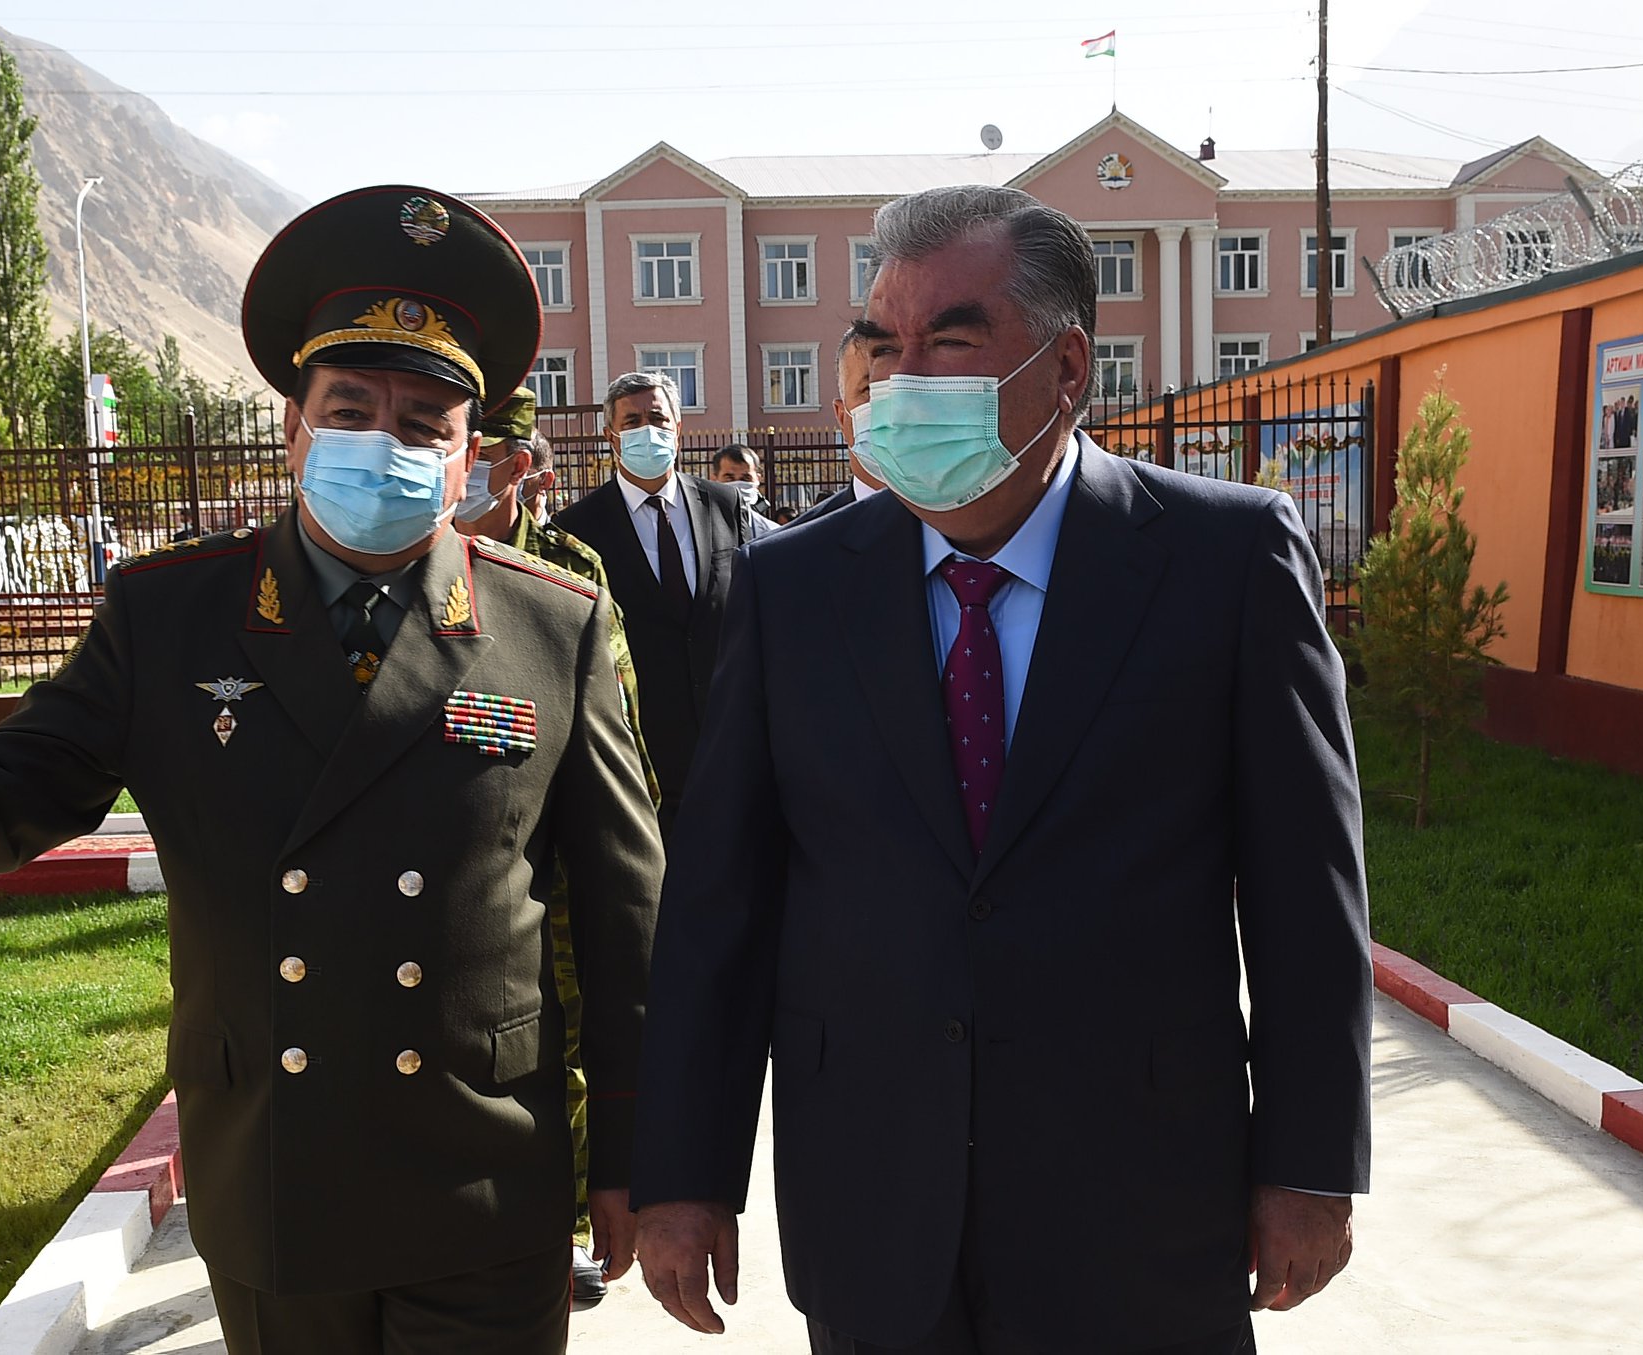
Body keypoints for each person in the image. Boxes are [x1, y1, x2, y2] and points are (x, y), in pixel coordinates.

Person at [0, 185, 665, 1355]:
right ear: (293, 427)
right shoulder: (171, 614)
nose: (385, 442)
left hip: (484, 1174)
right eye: (350, 409)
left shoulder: (551, 622)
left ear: (470, 451)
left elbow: (624, 917)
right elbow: (28, 779)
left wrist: (634, 1153)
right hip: (276, 1169)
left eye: (424, 422)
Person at [631, 185, 1371, 1355]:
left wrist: (1308, 1162)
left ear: (1065, 368)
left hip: (1139, 1204)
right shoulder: (791, 586)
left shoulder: (1222, 560)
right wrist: (683, 1171)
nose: (900, 379)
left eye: (949, 340)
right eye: (882, 345)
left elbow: (1305, 895)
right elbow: (721, 899)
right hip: (873, 1200)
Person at [455, 386, 662, 1310]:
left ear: (519, 465)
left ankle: (562, 1225)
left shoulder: (569, 568)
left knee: (566, 1046)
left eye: (485, 457)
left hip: (564, 863)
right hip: (472, 856)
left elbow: (615, 719)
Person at [553, 372, 772, 838]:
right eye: (632, 422)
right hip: (640, 762)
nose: (646, 430)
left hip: (732, 746)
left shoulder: (724, 505)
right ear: (611, 436)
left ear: (678, 427)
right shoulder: (578, 527)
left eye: (657, 418)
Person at [793, 324, 889, 528]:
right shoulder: (798, 545)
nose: (897, 406)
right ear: (842, 416)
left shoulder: (961, 534)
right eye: (872, 389)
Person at [712, 443, 769, 513]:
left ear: (758, 479)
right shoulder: (702, 517)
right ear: (714, 479)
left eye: (746, 478)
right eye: (729, 478)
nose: (738, 485)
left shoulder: (765, 520)